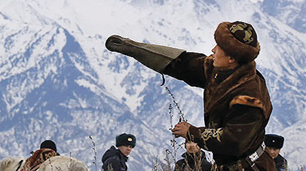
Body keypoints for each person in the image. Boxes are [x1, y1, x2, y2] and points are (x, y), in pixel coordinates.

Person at [106, 21, 275, 171]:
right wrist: (135, 49)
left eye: (219, 48)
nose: (213, 50)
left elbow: (233, 142)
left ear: (231, 58)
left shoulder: (250, 98)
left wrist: (192, 132)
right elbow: (183, 64)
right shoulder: (220, 71)